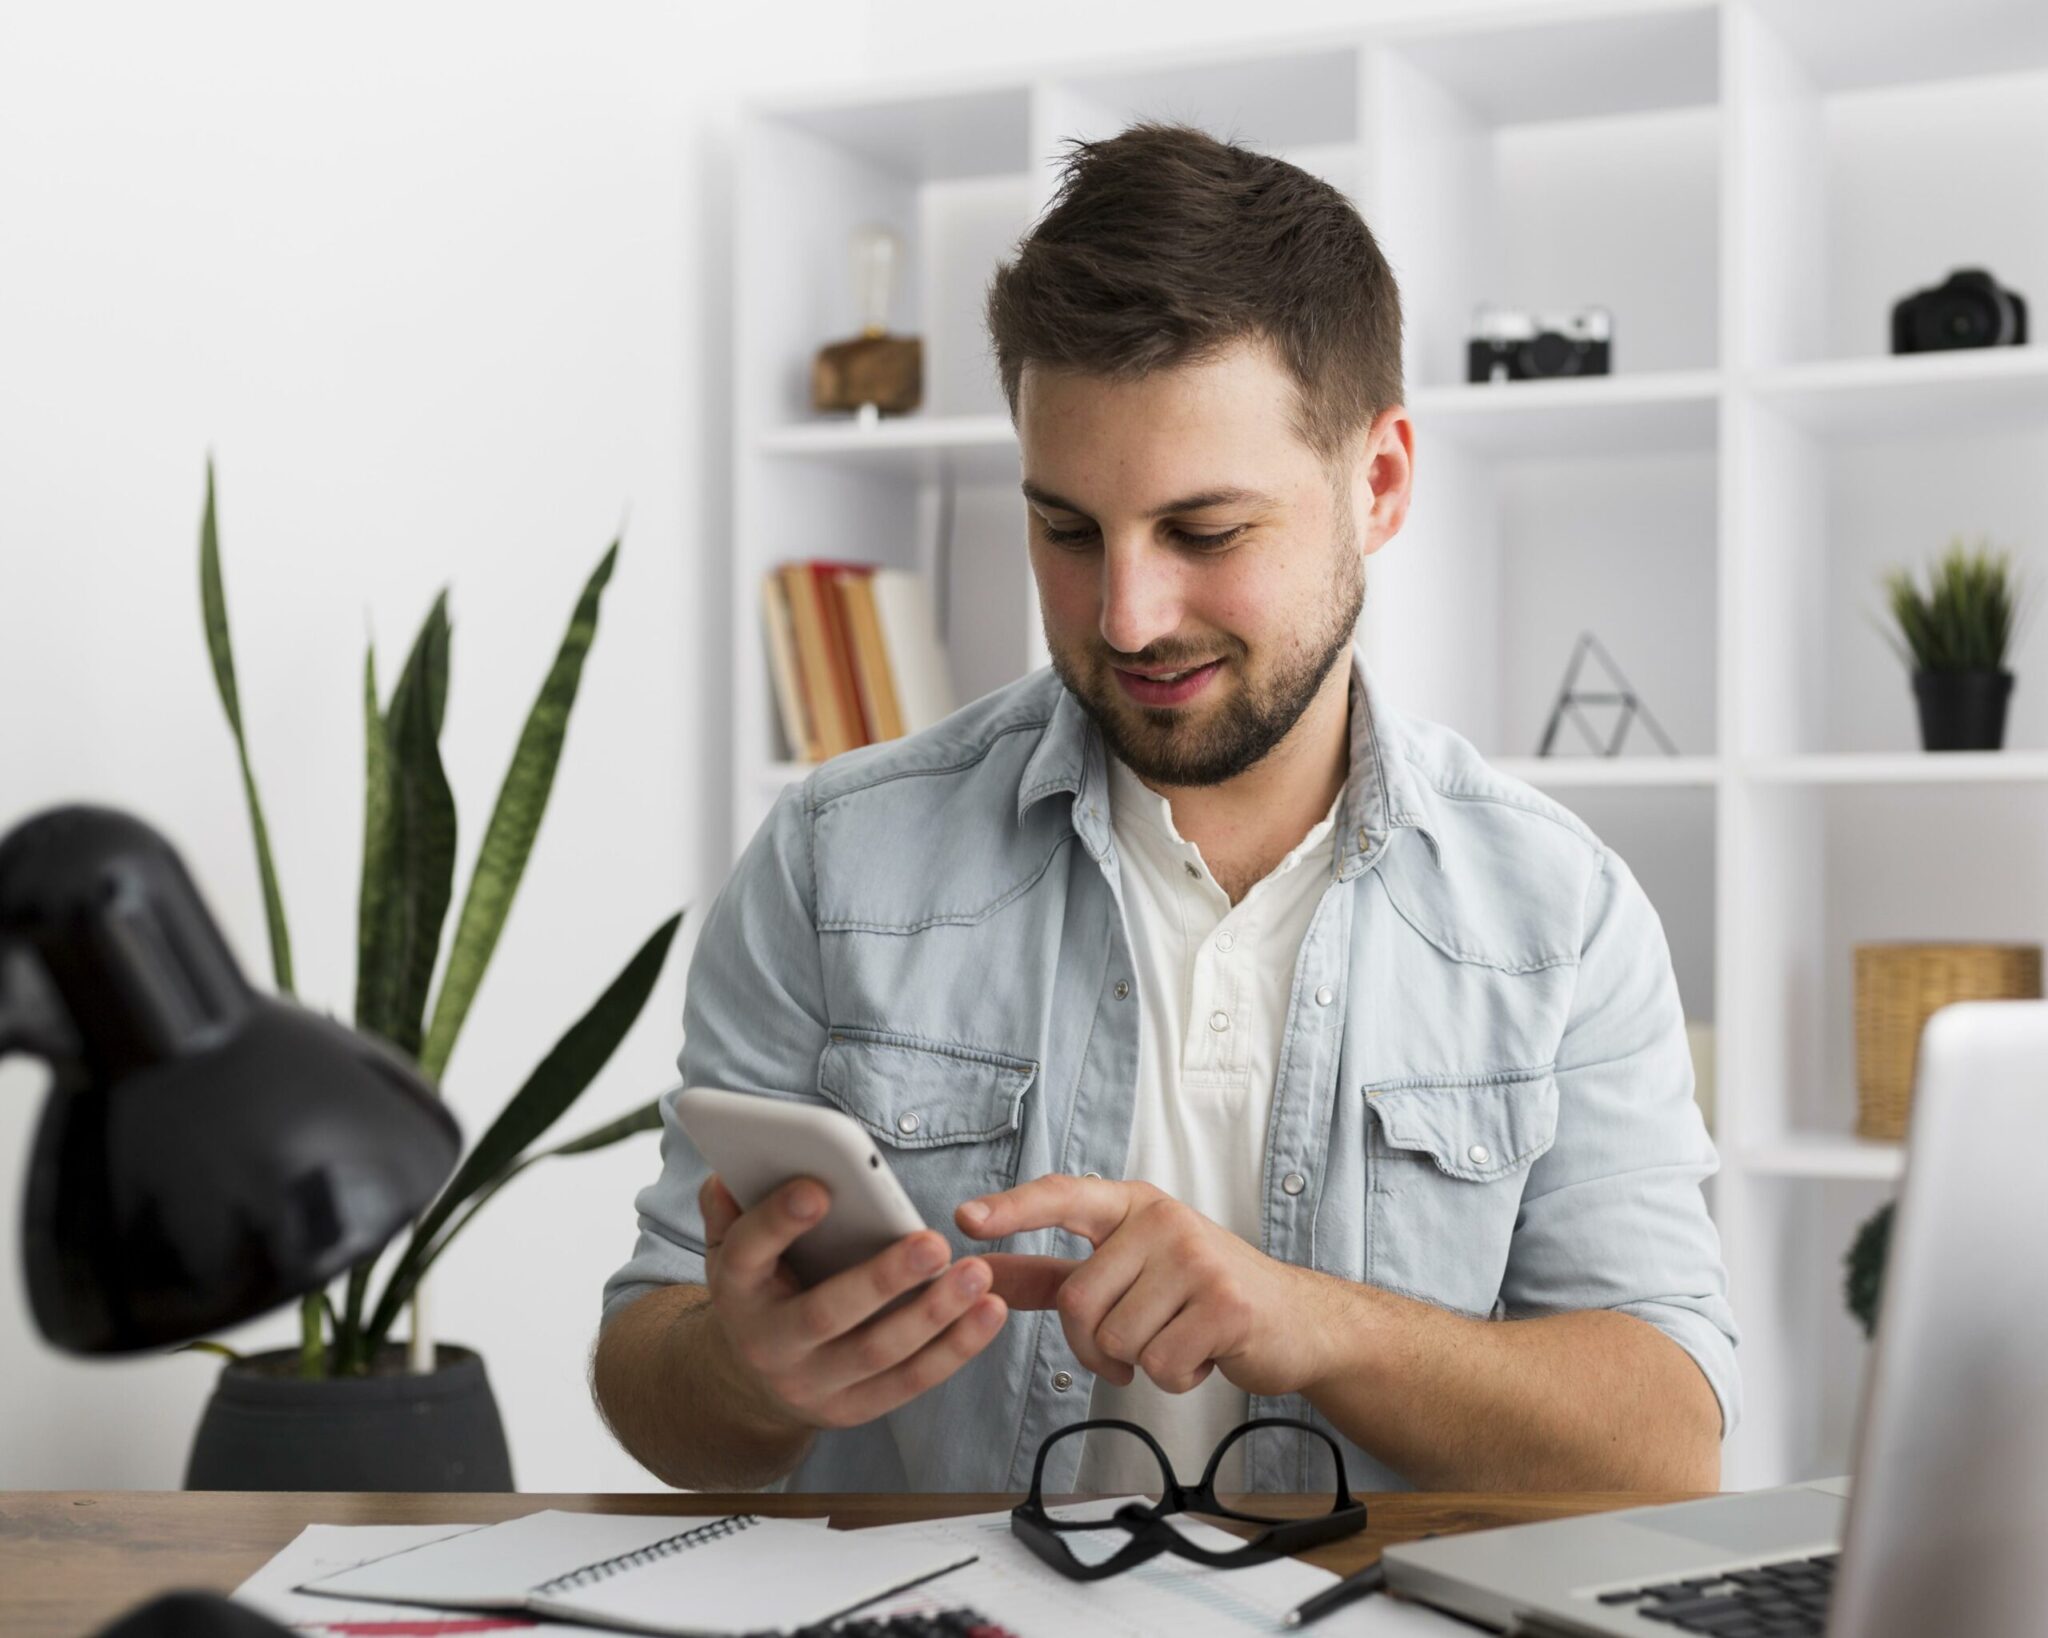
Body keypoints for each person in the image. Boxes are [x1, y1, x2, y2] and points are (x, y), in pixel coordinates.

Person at [592, 122, 1737, 1497]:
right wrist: (743, 1369)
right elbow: (651, 1364)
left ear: (1376, 485)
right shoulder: (837, 860)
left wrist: (1314, 1321)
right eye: (1067, 530)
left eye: (1204, 532)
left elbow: (1668, 1443)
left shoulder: (1562, 913)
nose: (1127, 615)